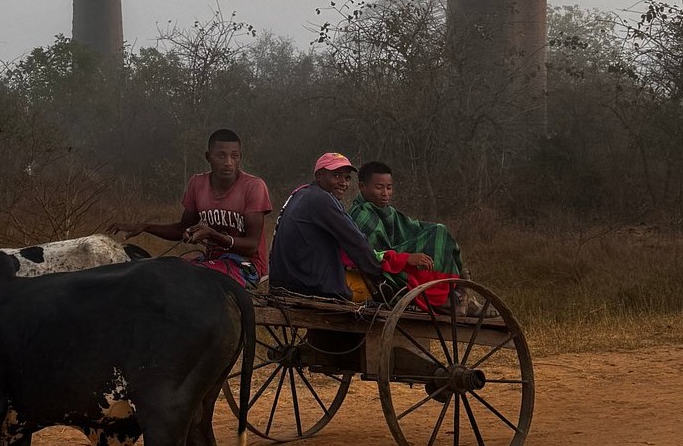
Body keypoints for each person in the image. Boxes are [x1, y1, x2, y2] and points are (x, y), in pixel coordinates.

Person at [109, 128, 272, 288]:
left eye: (234, 156)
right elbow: (182, 228)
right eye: (221, 155)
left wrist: (213, 235)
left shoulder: (253, 187)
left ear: (240, 157)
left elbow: (251, 245)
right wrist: (145, 226)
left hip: (246, 266)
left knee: (187, 278)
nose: (228, 162)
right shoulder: (197, 184)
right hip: (211, 262)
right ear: (208, 157)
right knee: (161, 270)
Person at [348, 160, 466, 310]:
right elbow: (370, 254)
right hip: (384, 270)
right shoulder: (361, 215)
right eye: (379, 188)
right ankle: (445, 297)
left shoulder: (389, 212)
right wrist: (406, 258)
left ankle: (452, 288)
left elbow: (412, 227)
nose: (385, 193)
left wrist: (429, 236)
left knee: (439, 231)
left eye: (389, 188)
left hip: (394, 257)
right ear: (362, 187)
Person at [267, 153, 386, 300]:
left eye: (347, 178)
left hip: (284, 281)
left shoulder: (301, 194)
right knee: (371, 294)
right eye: (336, 176)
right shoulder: (322, 199)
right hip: (306, 286)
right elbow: (356, 242)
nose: (344, 183)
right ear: (319, 176)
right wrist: (379, 275)